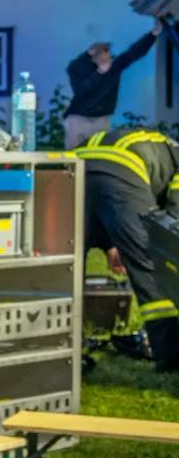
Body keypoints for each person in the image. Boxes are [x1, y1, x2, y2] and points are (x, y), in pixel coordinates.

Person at [75, 126, 179, 370]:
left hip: (75, 164)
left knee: (66, 262)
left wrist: (112, 243)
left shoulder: (165, 148)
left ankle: (57, 347)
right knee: (153, 267)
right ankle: (172, 356)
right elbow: (172, 223)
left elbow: (99, 197)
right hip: (123, 169)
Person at [64, 23, 165, 149]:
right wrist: (96, 67)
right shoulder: (83, 69)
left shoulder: (114, 68)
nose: (108, 55)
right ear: (94, 58)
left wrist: (152, 35)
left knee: (98, 155)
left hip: (101, 119)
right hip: (79, 119)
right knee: (74, 156)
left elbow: (133, 53)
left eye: (108, 53)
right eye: (104, 52)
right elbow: (80, 86)